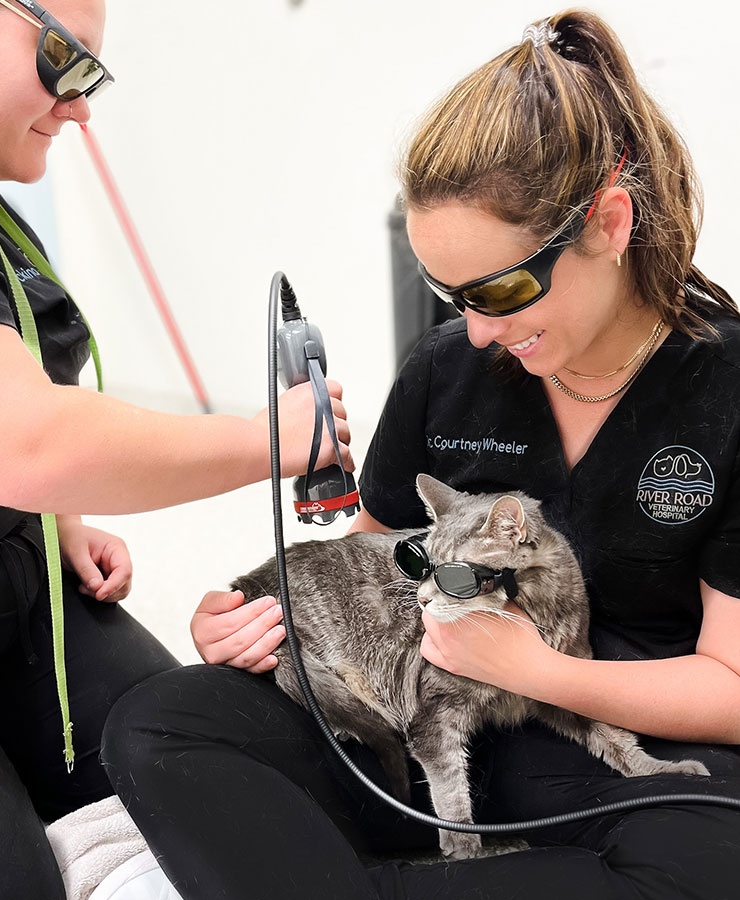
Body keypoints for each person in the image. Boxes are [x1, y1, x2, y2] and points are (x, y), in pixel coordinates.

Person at [101, 9, 740, 900]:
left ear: (611, 222)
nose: (475, 332)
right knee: (158, 724)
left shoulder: (725, 388)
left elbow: (731, 685)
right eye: (449, 295)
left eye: (502, 290)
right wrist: (258, 615)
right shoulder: (447, 369)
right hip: (412, 720)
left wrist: (545, 673)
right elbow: (370, 563)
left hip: (602, 742)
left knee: (705, 869)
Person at [0, 1, 352, 898]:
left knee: (214, 755)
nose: (79, 106)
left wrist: (54, 512)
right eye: (63, 60)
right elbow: (18, 437)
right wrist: (267, 440)